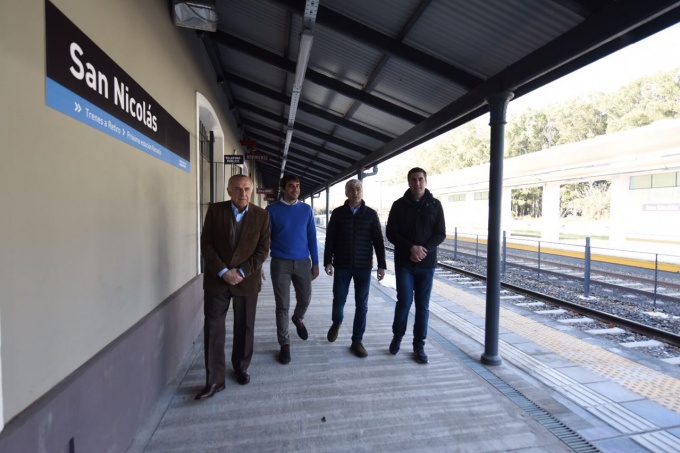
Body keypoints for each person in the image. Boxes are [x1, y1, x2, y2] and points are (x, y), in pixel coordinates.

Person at [195, 174, 271, 400]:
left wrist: (241, 272)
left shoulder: (262, 215)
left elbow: (263, 250)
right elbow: (206, 244)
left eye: (246, 188)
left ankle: (241, 367)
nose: (242, 193)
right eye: (237, 189)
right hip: (217, 280)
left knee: (245, 327)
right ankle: (214, 380)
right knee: (213, 329)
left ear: (252, 191)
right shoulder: (215, 211)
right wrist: (223, 271)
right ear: (229, 191)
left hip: (246, 281)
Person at [386, 167, 446, 364]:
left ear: (425, 181)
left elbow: (440, 233)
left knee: (423, 306)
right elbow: (391, 233)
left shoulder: (435, 205)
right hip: (404, 264)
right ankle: (397, 336)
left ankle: (419, 345)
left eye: (420, 179)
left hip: (426, 265)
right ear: (409, 182)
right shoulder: (398, 205)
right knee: (404, 302)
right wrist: (411, 248)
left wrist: (423, 250)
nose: (417, 183)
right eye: (413, 179)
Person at [324, 179, 386, 358]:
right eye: (351, 189)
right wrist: (328, 261)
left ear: (362, 191)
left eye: (358, 189)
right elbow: (330, 239)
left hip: (363, 267)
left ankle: (357, 341)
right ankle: (337, 322)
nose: (355, 192)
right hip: (342, 265)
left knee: (362, 305)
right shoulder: (338, 214)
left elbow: (378, 241)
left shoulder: (371, 214)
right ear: (346, 193)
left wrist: (381, 265)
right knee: (339, 299)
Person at [266, 174, 320, 364]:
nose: (295, 189)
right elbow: (265, 238)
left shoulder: (306, 210)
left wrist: (315, 263)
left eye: (297, 186)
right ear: (283, 188)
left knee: (305, 298)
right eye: (291, 186)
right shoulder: (271, 210)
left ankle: (298, 318)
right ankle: (284, 344)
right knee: (282, 305)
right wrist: (258, 264)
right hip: (280, 263)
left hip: (303, 262)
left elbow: (312, 236)